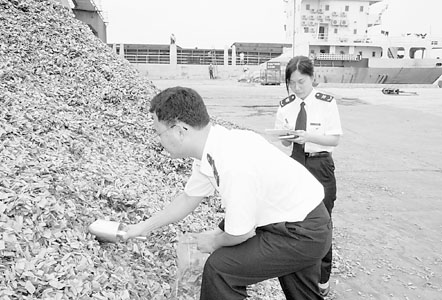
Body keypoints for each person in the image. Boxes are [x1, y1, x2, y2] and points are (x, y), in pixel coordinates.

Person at [124, 86, 332, 300]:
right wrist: (142, 227)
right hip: (301, 219)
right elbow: (188, 199)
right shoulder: (215, 147)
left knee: (221, 269)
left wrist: (213, 242)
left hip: (301, 232)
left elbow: (240, 233)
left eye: (159, 133)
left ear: (180, 130)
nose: (158, 140)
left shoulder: (231, 161)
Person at [274, 55, 343, 297]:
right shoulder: (285, 104)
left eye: (301, 82)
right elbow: (282, 140)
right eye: (292, 83)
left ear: (312, 78)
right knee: (297, 220)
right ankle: (302, 273)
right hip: (295, 163)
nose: (296, 87)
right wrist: (285, 136)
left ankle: (323, 277)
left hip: (319, 164)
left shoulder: (326, 103)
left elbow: (334, 139)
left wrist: (309, 137)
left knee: (322, 221)